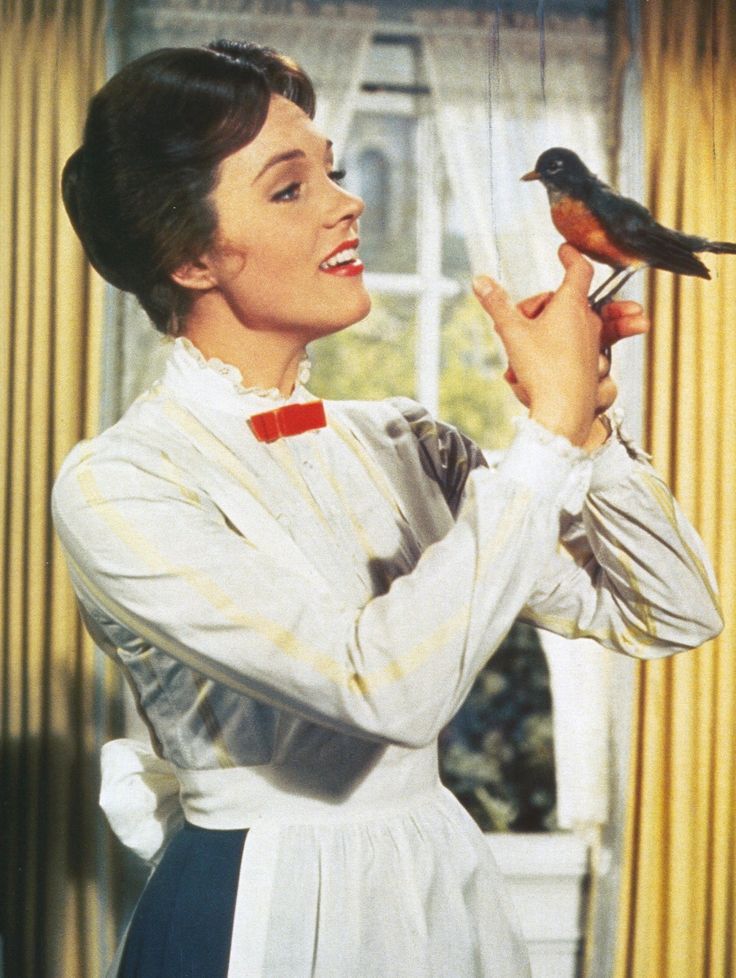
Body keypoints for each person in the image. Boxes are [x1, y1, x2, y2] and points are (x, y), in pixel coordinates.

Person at [53, 40, 722, 978]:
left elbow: (674, 610)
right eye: (291, 188)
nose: (347, 199)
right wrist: (548, 435)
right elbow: (384, 690)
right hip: (259, 907)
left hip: (437, 886)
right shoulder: (119, 484)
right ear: (190, 257)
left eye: (330, 169)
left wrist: (588, 432)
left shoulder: (400, 442)